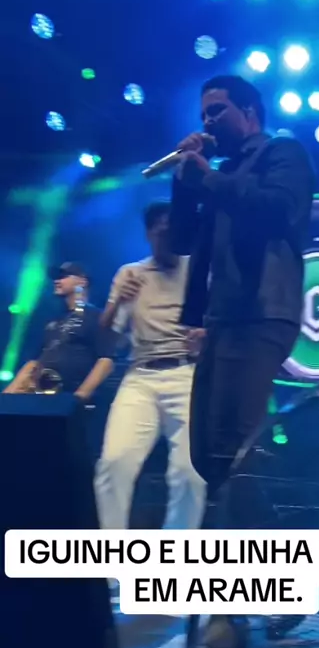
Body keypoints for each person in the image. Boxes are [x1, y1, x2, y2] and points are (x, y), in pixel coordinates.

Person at [170, 75, 315, 648]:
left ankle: (227, 616)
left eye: (218, 111)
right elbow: (183, 240)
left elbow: (278, 210)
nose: (207, 122)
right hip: (223, 320)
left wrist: (209, 178)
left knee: (231, 454)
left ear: (249, 112)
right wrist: (185, 182)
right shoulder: (222, 172)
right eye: (203, 113)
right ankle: (289, 583)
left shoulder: (282, 153)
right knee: (212, 457)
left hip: (263, 313)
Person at [94, 200, 205, 532]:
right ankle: (112, 558)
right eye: (160, 230)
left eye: (173, 230)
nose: (167, 236)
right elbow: (106, 339)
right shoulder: (131, 273)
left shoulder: (198, 269)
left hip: (187, 373)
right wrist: (118, 301)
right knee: (114, 462)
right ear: (149, 235)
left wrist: (206, 336)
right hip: (140, 376)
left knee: (190, 472)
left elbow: (223, 323)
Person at [4, 262, 115, 399]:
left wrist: (79, 396)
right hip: (42, 395)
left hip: (70, 397)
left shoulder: (98, 317)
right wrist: (7, 395)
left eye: (63, 276)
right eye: (56, 277)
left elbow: (106, 361)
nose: (56, 281)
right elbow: (34, 361)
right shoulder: (53, 321)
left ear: (82, 282)